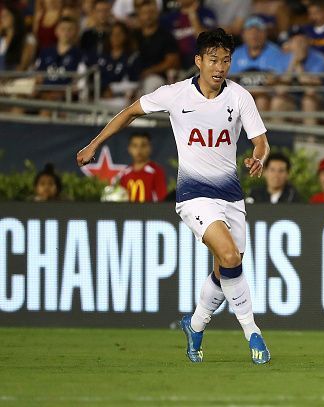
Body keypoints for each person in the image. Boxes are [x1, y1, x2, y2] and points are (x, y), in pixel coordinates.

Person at [76, 28, 271, 364]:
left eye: (225, 60)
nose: (220, 67)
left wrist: (259, 157)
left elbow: (261, 141)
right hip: (193, 194)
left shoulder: (239, 96)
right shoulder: (175, 94)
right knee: (230, 256)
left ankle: (194, 325)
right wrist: (95, 143)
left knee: (227, 267)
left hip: (231, 195)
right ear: (198, 61)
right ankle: (253, 332)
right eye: (213, 59)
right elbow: (130, 112)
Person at [118, 132, 167, 202]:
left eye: (143, 145)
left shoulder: (156, 172)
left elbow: (162, 199)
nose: (139, 150)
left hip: (149, 212)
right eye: (135, 146)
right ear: (129, 149)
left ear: (149, 148)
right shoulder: (124, 173)